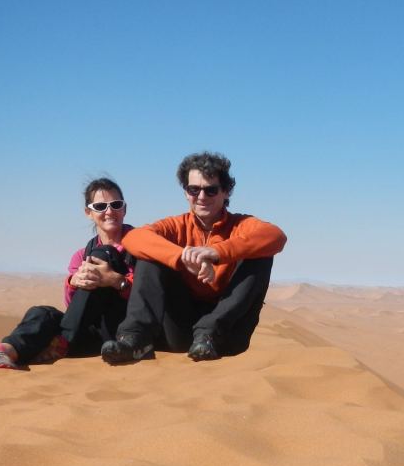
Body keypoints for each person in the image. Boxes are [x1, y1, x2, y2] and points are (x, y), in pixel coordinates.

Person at [0, 178, 135, 374]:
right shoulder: (81, 255)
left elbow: (147, 300)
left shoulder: (140, 247)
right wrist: (73, 282)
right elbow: (74, 307)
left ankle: (56, 343)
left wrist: (116, 281)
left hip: (121, 336)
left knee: (103, 254)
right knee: (42, 313)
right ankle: (4, 351)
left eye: (116, 205)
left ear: (124, 209)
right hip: (86, 335)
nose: (109, 211)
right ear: (88, 213)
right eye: (100, 206)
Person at [100, 152, 286, 365]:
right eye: (194, 189)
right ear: (186, 193)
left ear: (226, 191)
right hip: (181, 329)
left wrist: (216, 253)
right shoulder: (176, 226)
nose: (201, 197)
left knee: (261, 253)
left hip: (225, 334)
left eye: (211, 190)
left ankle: (209, 332)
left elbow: (276, 236)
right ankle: (134, 339)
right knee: (150, 254)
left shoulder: (241, 225)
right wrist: (182, 258)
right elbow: (134, 238)